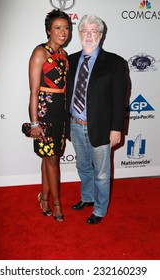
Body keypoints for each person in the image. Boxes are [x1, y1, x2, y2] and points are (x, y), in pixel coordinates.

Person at [66, 15, 128, 224]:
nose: (89, 35)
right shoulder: (71, 60)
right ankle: (87, 197)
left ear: (101, 35)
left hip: (102, 128)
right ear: (79, 33)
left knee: (101, 174)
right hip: (75, 125)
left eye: (94, 31)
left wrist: (117, 128)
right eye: (85, 31)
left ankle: (100, 210)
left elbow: (120, 100)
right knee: (83, 167)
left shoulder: (115, 62)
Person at [28, 9, 71, 222]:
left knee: (49, 157)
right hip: (44, 112)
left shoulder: (64, 56)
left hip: (59, 113)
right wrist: (34, 122)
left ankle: (44, 197)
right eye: (57, 28)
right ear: (48, 30)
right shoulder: (40, 53)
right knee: (52, 158)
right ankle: (56, 204)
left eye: (66, 28)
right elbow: (34, 91)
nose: (63, 32)